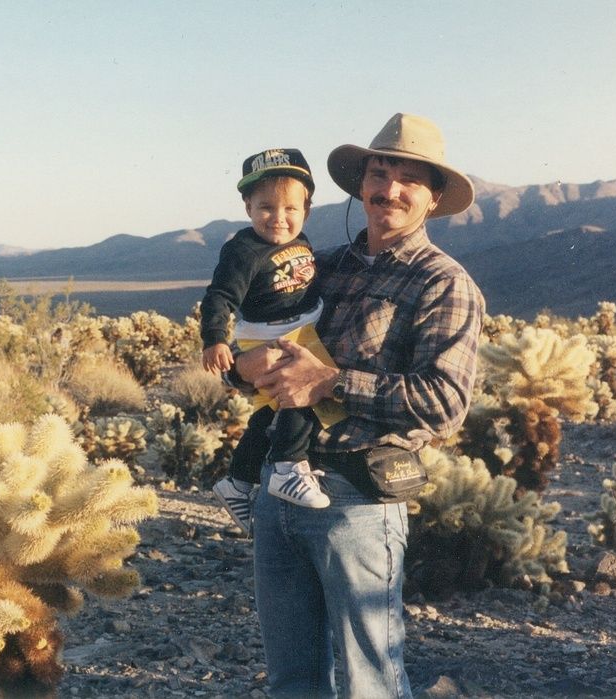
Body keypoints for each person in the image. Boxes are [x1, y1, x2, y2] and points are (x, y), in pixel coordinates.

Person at [234, 113, 485, 698]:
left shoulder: (442, 283)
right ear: (360, 184)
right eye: (379, 171)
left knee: (369, 679)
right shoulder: (316, 267)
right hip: (280, 487)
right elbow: (262, 348)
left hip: (359, 504)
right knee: (292, 679)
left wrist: (331, 382)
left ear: (434, 196)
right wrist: (244, 370)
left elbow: (445, 404)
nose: (388, 189)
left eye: (409, 178)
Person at [200, 148, 331, 534]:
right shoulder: (243, 250)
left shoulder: (301, 239)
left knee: (268, 412)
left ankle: (238, 481)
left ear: (306, 209)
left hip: (300, 323)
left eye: (291, 208)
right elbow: (220, 296)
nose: (279, 218)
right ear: (247, 207)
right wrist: (215, 339)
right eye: (266, 208)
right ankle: (288, 468)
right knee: (304, 390)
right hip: (270, 331)